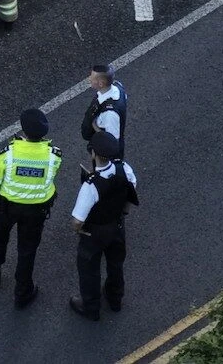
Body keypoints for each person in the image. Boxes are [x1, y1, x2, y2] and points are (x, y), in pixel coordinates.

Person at [0, 108, 61, 309]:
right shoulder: (54, 157)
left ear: (23, 131)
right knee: (27, 250)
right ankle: (23, 292)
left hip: (6, 208)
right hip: (36, 210)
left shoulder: (8, 155)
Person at [69, 130, 139, 320]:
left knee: (89, 269)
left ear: (93, 154)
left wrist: (78, 230)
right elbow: (132, 191)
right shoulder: (124, 168)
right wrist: (123, 212)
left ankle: (91, 307)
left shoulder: (91, 185)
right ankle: (115, 299)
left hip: (94, 233)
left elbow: (77, 220)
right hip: (117, 227)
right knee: (116, 264)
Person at [80, 64, 128, 159]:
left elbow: (112, 140)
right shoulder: (118, 87)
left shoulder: (110, 114)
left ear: (101, 84)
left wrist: (94, 125)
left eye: (92, 78)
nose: (89, 79)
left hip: (105, 156)